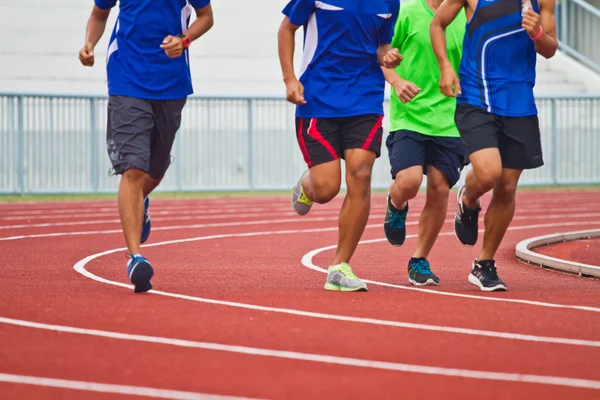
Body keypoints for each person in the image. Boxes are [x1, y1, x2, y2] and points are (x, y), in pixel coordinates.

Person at [79, 0, 214, 293]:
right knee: (133, 168)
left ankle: (141, 204)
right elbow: (99, 14)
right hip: (126, 78)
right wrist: (89, 43)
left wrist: (184, 40)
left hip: (171, 82)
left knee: (155, 166)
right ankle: (135, 257)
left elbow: (206, 17)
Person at [430, 0, 557, 291]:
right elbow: (437, 24)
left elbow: (550, 49)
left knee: (508, 186)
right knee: (488, 173)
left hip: (519, 102)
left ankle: (484, 263)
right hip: (476, 96)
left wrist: (537, 33)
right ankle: (469, 199)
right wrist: (445, 67)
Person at [278, 0, 402, 292]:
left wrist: (389, 56)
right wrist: (289, 79)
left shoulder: (389, 2)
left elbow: (382, 46)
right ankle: (307, 185)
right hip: (318, 99)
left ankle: (339, 266)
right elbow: (286, 29)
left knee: (360, 174)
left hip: (365, 98)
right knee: (326, 189)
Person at [382, 0, 466, 286]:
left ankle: (419, 260)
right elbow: (383, 56)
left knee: (440, 188)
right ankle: (396, 204)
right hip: (409, 116)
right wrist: (396, 81)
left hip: (451, 119)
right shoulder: (407, 12)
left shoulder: (466, 14)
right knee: (409, 182)